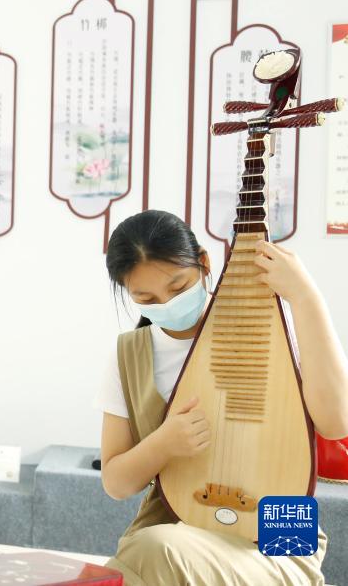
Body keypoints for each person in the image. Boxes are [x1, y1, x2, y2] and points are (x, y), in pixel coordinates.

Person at [96, 210, 348, 585]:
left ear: (204, 262)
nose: (166, 303)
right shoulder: (130, 356)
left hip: (280, 541)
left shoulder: (272, 322)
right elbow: (116, 484)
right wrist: (164, 443)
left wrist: (305, 296)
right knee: (146, 554)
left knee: (150, 552)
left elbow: (336, 423)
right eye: (146, 297)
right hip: (176, 527)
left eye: (178, 287)